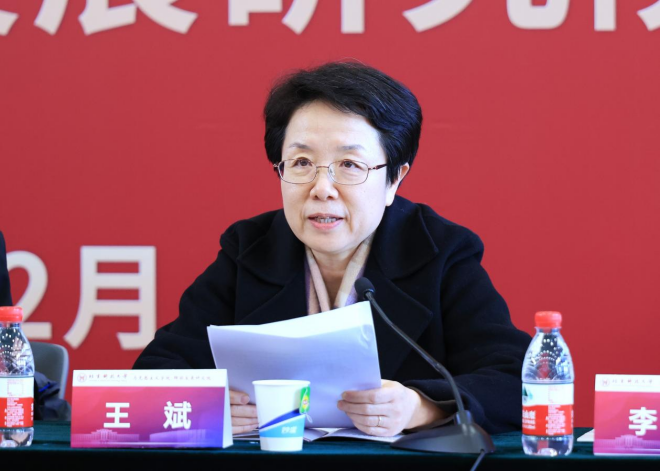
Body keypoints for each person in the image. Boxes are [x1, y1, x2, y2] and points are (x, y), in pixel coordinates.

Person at [134, 62, 532, 437]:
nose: (322, 188)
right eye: (301, 162)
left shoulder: (440, 251)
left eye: (349, 165)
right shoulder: (249, 250)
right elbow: (155, 372)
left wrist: (423, 406)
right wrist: (206, 406)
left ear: (394, 179)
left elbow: (516, 379)